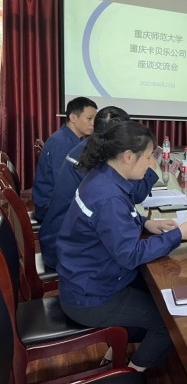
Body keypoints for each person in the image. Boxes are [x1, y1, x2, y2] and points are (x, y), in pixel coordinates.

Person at [56, 121, 187, 372]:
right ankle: (130, 373)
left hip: (86, 279)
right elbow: (130, 255)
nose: (151, 164)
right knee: (169, 323)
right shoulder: (109, 196)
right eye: (148, 157)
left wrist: (145, 222)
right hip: (92, 295)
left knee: (161, 293)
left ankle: (113, 354)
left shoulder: (104, 176)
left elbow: (114, 219)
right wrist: (179, 234)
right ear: (128, 156)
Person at [38, 106, 158, 270]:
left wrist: (143, 222)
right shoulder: (99, 166)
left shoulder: (91, 152)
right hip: (69, 252)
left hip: (69, 238)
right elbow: (133, 196)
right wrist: (150, 169)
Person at [33, 97, 98, 222]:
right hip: (51, 208)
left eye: (95, 119)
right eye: (89, 118)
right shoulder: (62, 143)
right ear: (73, 117)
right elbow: (66, 186)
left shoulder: (70, 138)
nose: (93, 123)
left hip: (55, 202)